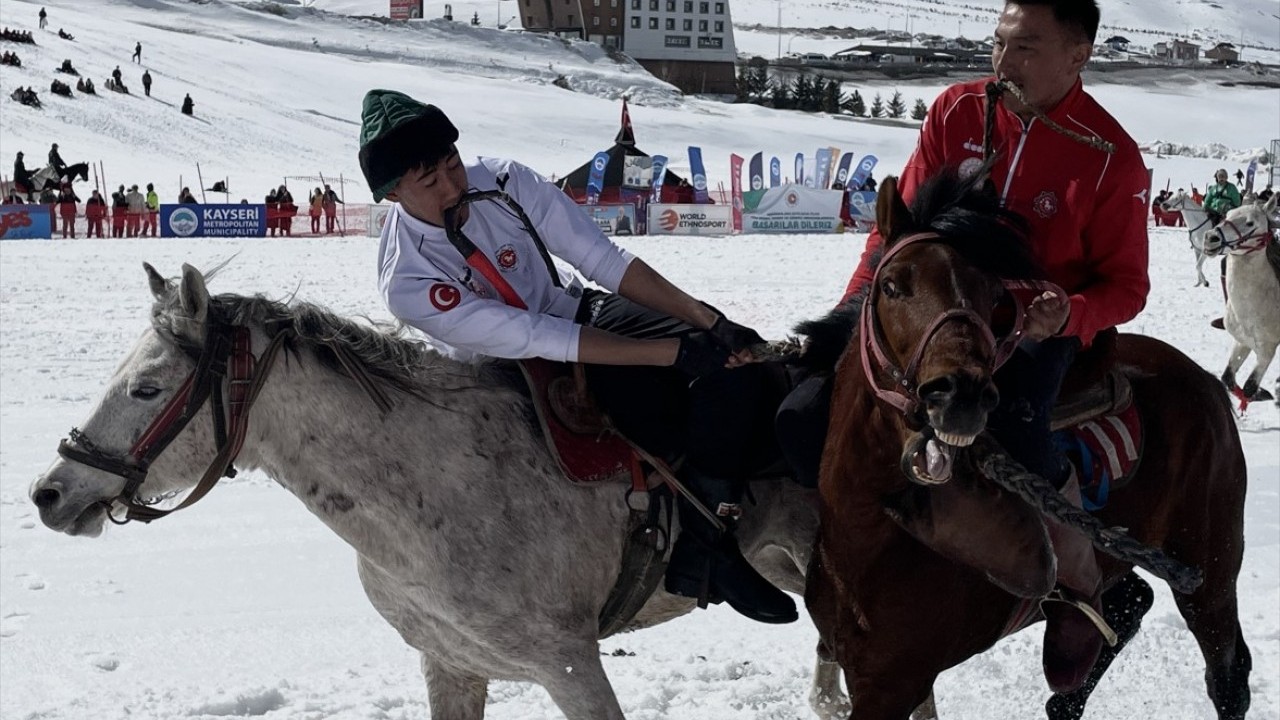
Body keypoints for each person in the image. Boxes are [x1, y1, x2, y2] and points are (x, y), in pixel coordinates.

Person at [794, 0, 1146, 694]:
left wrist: (1067, 312)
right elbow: (902, 229)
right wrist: (855, 307)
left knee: (1016, 437)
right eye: (999, 44)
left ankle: (1080, 579)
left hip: (1032, 327)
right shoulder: (957, 110)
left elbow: (1128, 286)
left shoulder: (1113, 158)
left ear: (1079, 57)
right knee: (807, 407)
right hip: (933, 309)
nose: (1002, 63)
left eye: (1026, 49)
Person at [359, 89, 798, 625]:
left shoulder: (503, 180)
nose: (454, 185)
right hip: (503, 372)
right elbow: (530, 337)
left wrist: (708, 320)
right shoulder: (406, 277)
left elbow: (601, 259)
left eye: (453, 162)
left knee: (735, 364)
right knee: (656, 407)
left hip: (576, 313)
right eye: (430, 181)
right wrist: (669, 353)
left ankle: (706, 547)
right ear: (392, 193)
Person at [1204, 168, 1244, 329]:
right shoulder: (1212, 189)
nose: (1222, 179)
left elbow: (1237, 203)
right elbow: (1207, 201)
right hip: (1213, 213)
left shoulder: (1232, 188)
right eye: (1220, 176)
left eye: (1224, 176)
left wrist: (1227, 209)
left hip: (1227, 216)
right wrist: (1207, 208)